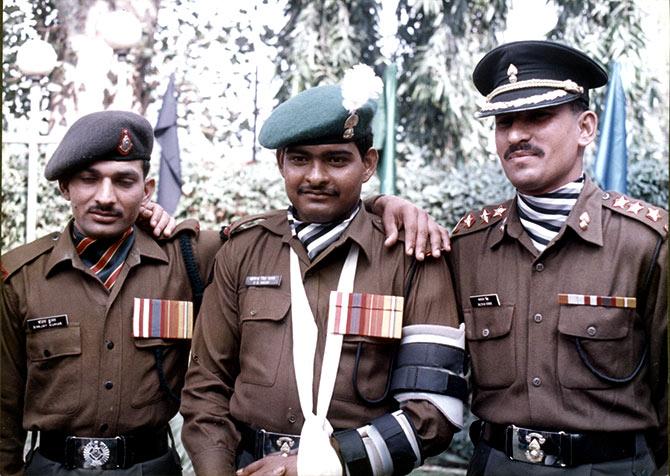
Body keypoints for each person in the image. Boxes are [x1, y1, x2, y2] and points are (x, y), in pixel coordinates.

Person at [376, 40, 667, 475]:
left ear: (586, 128)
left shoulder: (645, 242)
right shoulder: (468, 245)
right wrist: (380, 203)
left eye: (539, 117)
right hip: (495, 465)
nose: (516, 135)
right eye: (504, 121)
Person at [179, 65, 468, 476]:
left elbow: (434, 411)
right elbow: (206, 385)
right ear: (281, 163)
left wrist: (322, 463)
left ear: (368, 164)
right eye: (300, 159)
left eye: (336, 160)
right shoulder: (242, 251)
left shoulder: (412, 255)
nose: (315, 176)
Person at [0, 110, 222, 475]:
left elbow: (261, 245)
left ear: (146, 190)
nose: (105, 197)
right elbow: (4, 405)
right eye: (89, 180)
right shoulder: (21, 277)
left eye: (124, 182)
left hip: (151, 467)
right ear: (65, 186)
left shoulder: (189, 259)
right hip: (52, 468)